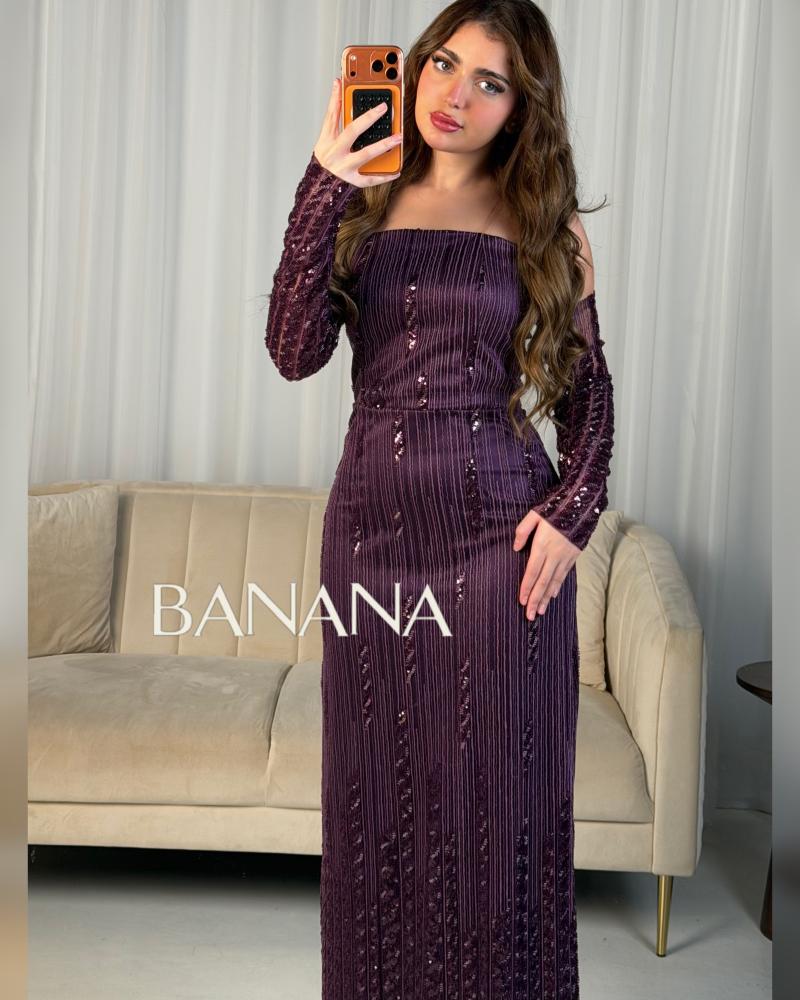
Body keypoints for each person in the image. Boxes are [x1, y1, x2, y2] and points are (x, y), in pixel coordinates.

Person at [264, 1, 614, 996]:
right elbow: (292, 351)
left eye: (489, 82)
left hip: (500, 542)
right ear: (414, 67)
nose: (455, 95)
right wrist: (323, 180)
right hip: (369, 540)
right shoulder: (359, 198)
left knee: (499, 811)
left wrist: (573, 512)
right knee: (375, 801)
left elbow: (588, 396)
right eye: (444, 64)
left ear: (520, 107)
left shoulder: (543, 226)